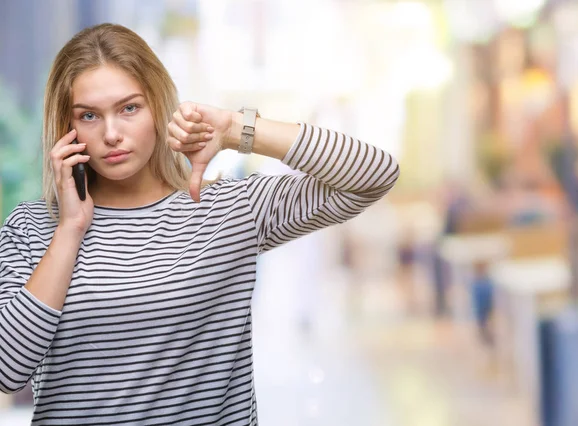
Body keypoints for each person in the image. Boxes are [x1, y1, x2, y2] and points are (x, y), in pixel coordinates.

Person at [0, 23, 399, 425]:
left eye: (129, 108)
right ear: (68, 129)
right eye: (89, 115)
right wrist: (69, 230)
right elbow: (7, 369)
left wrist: (235, 129)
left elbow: (375, 174)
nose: (111, 134)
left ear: (158, 106)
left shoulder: (228, 209)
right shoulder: (33, 227)